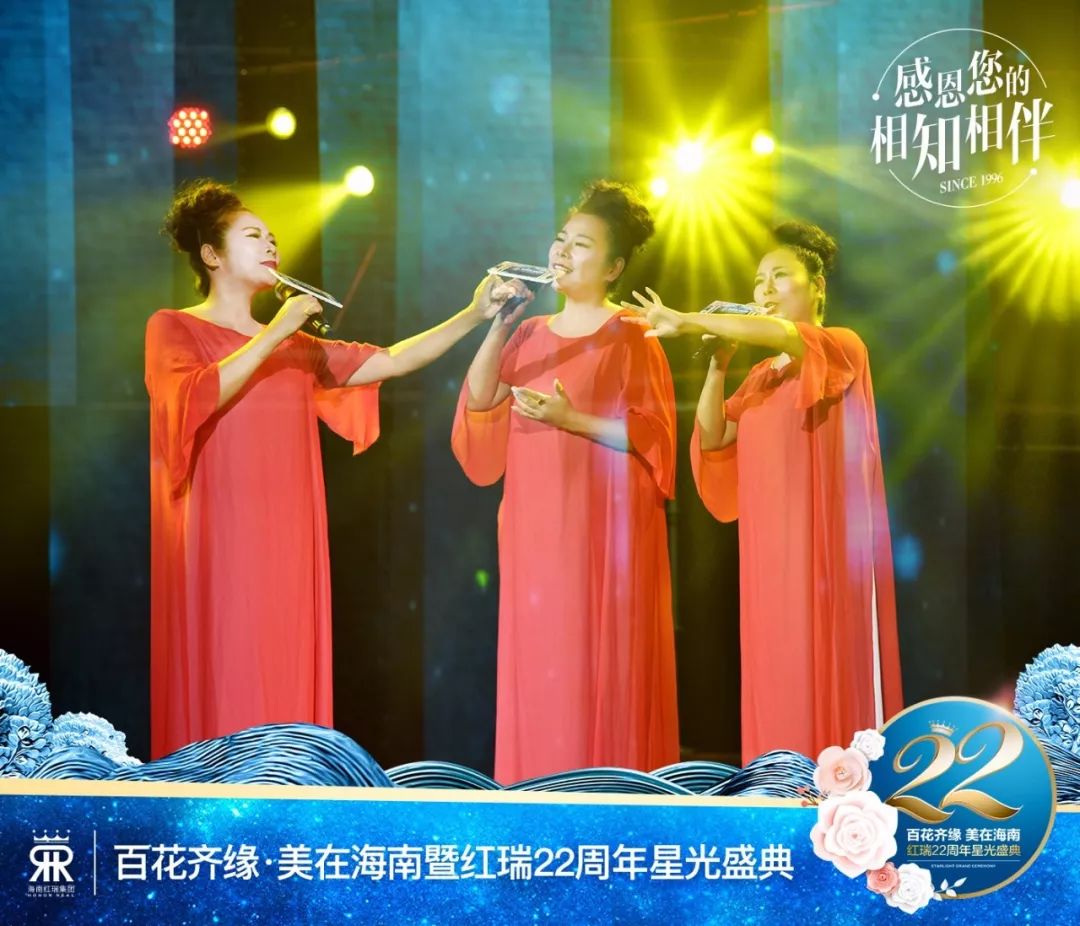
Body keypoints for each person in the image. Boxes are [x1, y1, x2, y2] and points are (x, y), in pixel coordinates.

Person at [147, 179, 523, 759]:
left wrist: (474, 314)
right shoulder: (175, 326)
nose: (271, 244)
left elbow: (392, 360)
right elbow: (195, 396)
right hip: (220, 531)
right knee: (226, 658)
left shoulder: (297, 347)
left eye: (272, 237)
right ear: (212, 255)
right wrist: (277, 330)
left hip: (290, 533)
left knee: (285, 661)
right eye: (253, 236)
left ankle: (289, 783)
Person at [622, 221, 902, 764]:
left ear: (817, 286)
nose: (765, 289)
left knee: (821, 664)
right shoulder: (761, 377)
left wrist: (685, 319)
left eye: (780, 276)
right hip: (767, 556)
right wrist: (719, 364)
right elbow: (713, 435)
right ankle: (776, 781)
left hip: (822, 550)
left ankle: (838, 785)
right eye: (758, 280)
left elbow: (784, 335)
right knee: (774, 668)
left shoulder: (841, 345)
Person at [452, 181, 680, 784]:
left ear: (614, 267)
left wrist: (568, 418)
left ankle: (602, 794)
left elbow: (653, 437)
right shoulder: (529, 332)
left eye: (582, 245)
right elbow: (481, 397)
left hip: (601, 527)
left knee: (594, 663)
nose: (563, 251)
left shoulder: (632, 331)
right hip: (534, 525)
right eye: (561, 239)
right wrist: (499, 325)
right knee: (540, 659)